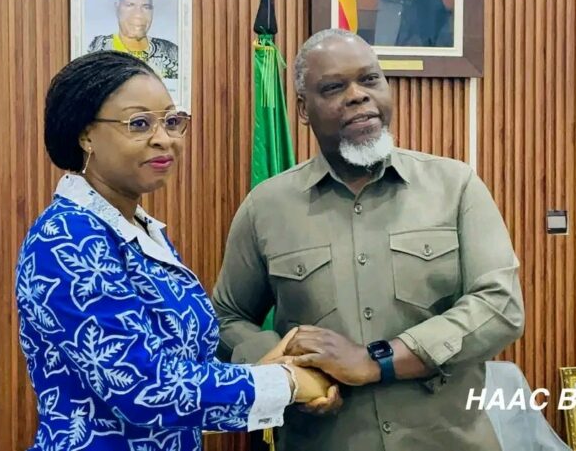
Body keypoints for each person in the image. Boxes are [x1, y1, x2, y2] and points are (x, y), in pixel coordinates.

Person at [212, 29, 525, 451]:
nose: (358, 95)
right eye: (334, 87)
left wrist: (378, 361)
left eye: (370, 79)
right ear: (303, 109)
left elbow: (500, 305)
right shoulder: (266, 207)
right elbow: (226, 317)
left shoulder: (455, 186)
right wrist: (287, 369)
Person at [15, 50, 331, 451]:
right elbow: (142, 389)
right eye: (139, 123)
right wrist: (288, 383)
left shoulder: (136, 228)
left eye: (171, 121)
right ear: (85, 135)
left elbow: (179, 380)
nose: (163, 138)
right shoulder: (69, 237)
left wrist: (269, 372)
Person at [88, 0, 179, 79]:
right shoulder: (98, 48)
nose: (138, 14)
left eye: (146, 7)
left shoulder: (170, 52)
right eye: (130, 5)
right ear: (117, 8)